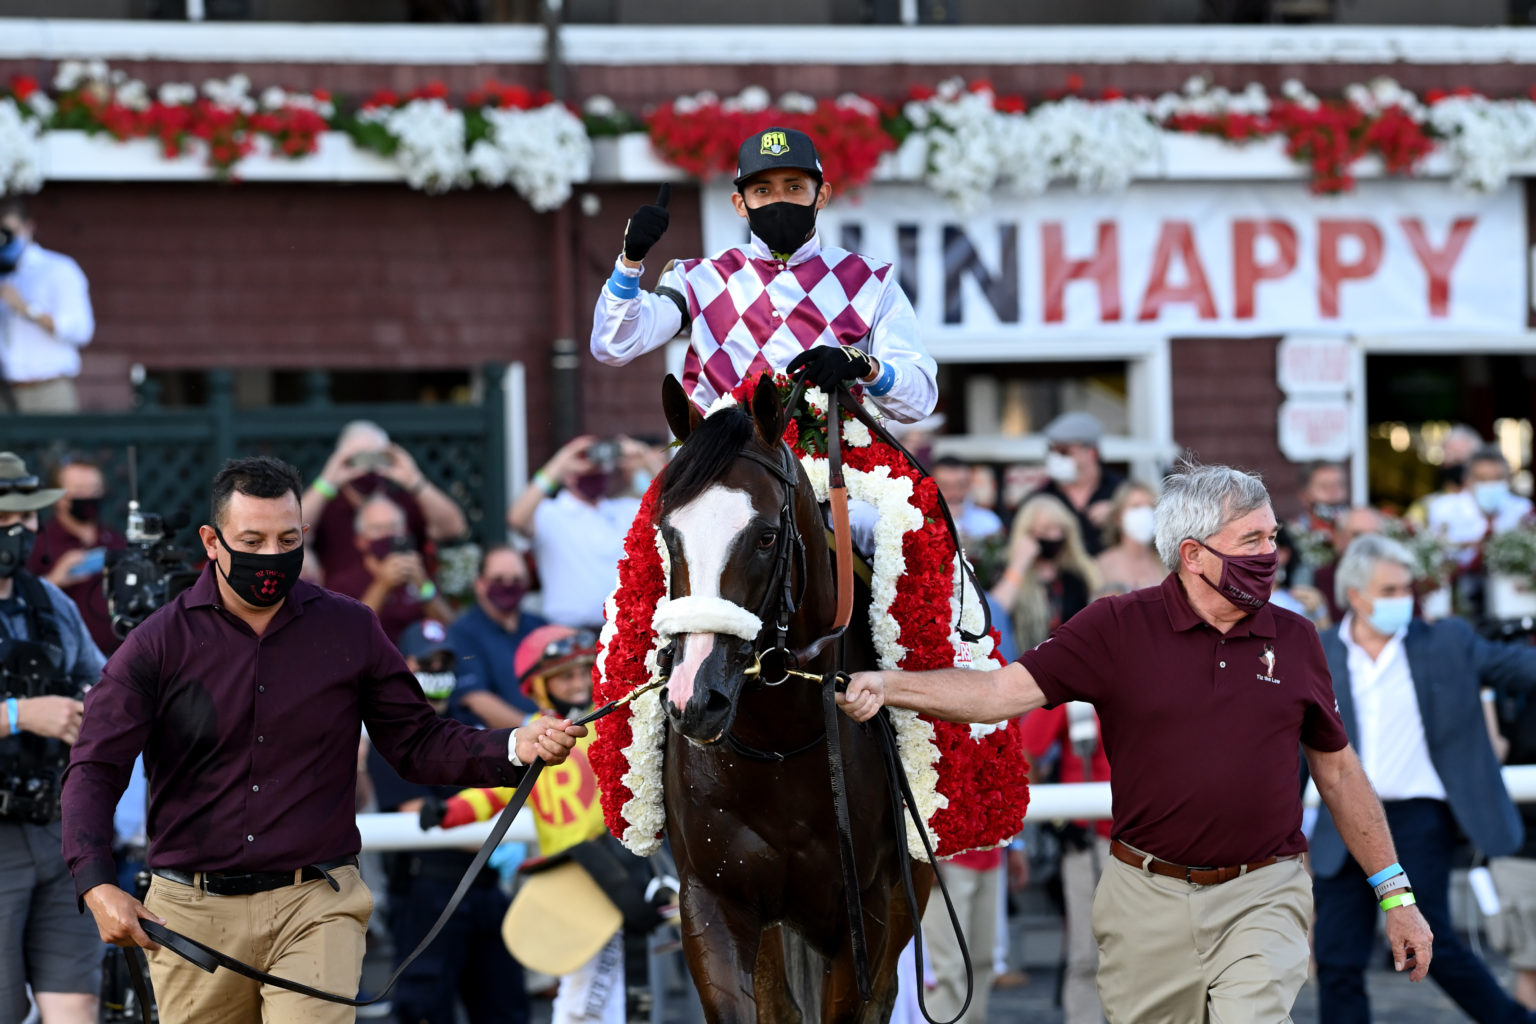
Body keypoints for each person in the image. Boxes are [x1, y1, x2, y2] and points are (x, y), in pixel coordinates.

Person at [837, 460, 1436, 1022]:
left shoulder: (1298, 638)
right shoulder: (1114, 626)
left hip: (1265, 890)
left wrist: (1395, 896)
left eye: (1272, 537)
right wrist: (890, 685)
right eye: (1251, 541)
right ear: (1193, 555)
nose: (1271, 554)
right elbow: (998, 693)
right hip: (1144, 898)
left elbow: (1338, 772)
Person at [60, 455, 584, 1024]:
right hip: (191, 913)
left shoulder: (352, 627)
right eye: (251, 540)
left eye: (287, 539)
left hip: (316, 901)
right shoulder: (157, 642)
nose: (270, 556)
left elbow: (416, 741)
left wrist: (513, 746)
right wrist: (95, 883)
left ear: (305, 534)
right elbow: (95, 765)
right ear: (212, 541)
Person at [1312, 533, 1536, 1024]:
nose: (1404, 600)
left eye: (1406, 588)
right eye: (1390, 591)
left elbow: (1518, 667)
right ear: (1355, 595)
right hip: (1341, 817)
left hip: (1417, 819)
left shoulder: (1446, 641)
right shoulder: (1318, 651)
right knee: (1337, 957)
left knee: (1433, 945)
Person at [589, 126, 937, 423]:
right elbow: (614, 346)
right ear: (740, 204)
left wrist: (866, 367)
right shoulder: (697, 279)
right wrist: (630, 261)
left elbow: (919, 401)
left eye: (794, 187)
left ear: (822, 196)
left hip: (836, 473)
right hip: (721, 471)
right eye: (762, 191)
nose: (779, 200)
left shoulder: (870, 281)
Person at [423, 626, 662, 1024]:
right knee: (587, 993)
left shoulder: (614, 724)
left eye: (582, 672)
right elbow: (494, 794)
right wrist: (448, 813)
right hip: (570, 881)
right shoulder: (533, 739)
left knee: (590, 995)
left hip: (616, 873)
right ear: (537, 687)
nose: (576, 683)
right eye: (564, 676)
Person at [365, 619, 529, 1024]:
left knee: (505, 1007)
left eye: (445, 662)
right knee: (427, 1009)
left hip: (485, 885)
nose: (438, 670)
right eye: (428, 661)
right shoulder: (391, 738)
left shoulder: (468, 730)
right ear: (405, 665)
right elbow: (416, 816)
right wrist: (499, 840)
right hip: (428, 891)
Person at [0, 451, 106, 1024]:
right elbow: (28, 711)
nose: (14, 532)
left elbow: (102, 680)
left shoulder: (51, 602)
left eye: (23, 518)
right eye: (2, 520)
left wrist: (95, 708)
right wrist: (19, 714)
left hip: (57, 827)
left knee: (76, 999)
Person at [1018, 701, 1111, 1024]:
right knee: (1087, 953)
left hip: (1150, 843)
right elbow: (1024, 748)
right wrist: (1054, 818)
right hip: (1090, 843)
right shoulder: (1075, 693)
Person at [302, 420, 467, 586]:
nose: (369, 468)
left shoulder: (404, 502)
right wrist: (327, 480)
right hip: (343, 604)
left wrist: (414, 480)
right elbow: (294, 531)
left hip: (407, 602)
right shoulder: (326, 506)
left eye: (376, 457)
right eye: (361, 458)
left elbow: (453, 528)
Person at [507, 435, 641, 630]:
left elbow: (671, 502)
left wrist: (643, 459)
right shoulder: (549, 513)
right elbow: (515, 518)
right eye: (583, 461)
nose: (591, 468)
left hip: (622, 631)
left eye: (598, 464)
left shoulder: (624, 510)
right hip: (567, 634)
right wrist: (561, 463)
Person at [0, 202, 96, 414]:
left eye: (8, 231)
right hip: (6, 393)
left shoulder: (58, 269)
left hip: (49, 391)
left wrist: (26, 309)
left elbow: (81, 331)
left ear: (29, 227)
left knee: (59, 448)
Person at [27, 454, 127, 654]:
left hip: (117, 658)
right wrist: (54, 579)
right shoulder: (36, 543)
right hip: (64, 661)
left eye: (95, 490)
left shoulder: (115, 540)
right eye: (80, 491)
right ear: (58, 497)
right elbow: (19, 603)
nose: (89, 497)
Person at [326, 493, 456, 643]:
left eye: (393, 527)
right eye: (377, 529)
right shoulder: (343, 583)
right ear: (360, 540)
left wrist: (423, 585)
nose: (387, 535)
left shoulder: (419, 571)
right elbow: (346, 636)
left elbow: (450, 628)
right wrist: (382, 585)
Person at [445, 545, 547, 728]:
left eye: (517, 579)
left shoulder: (541, 626)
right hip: (499, 746)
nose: (508, 585)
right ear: (480, 584)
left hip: (553, 738)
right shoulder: (461, 632)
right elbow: (475, 698)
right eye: (499, 579)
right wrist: (533, 727)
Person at [989, 493, 1098, 656]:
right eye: (1046, 529)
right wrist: (1020, 563)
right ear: (1028, 532)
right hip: (1022, 664)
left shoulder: (1077, 575)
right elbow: (995, 611)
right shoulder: (1007, 571)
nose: (1054, 535)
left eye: (1060, 529)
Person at [1030, 411, 1124, 556]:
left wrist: (1118, 514)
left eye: (1064, 451)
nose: (1055, 458)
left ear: (1091, 453)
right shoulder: (1040, 497)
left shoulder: (1121, 490)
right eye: (1051, 451)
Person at [1429, 444, 1534, 570]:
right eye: (1482, 479)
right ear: (1467, 480)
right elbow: (1438, 557)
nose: (1490, 484)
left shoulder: (1523, 509)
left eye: (1498, 478)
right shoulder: (1442, 508)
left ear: (1509, 480)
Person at [1093, 480, 1164, 594]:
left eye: (1151, 506)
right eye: (1136, 506)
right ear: (1118, 517)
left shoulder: (1166, 564)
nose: (1145, 513)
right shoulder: (1101, 566)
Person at [1288, 460, 1349, 587]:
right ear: (1304, 496)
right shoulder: (1292, 535)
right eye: (1324, 487)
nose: (1334, 492)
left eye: (1339, 485)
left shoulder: (1355, 530)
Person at [932, 456, 1004, 547]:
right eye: (945, 486)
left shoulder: (988, 521)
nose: (954, 493)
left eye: (961, 485)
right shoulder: (920, 523)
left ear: (969, 485)